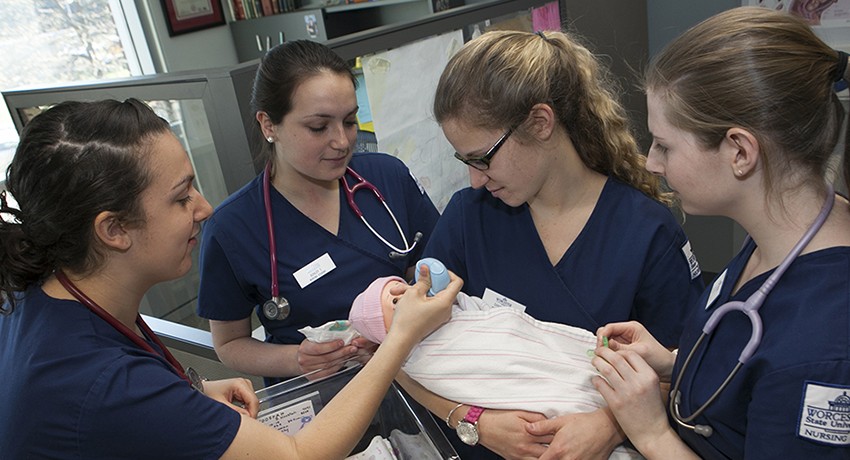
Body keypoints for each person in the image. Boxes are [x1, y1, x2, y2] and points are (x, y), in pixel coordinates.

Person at [0, 98, 460, 459]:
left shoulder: (45, 297)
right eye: (181, 198)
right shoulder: (102, 383)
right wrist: (399, 337)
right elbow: (298, 454)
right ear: (114, 229)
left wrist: (189, 397)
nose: (204, 208)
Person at [399, 29, 705, 460]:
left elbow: (683, 374)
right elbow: (399, 354)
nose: (474, 179)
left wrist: (608, 426)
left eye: (482, 158)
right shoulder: (469, 218)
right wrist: (472, 421)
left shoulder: (645, 233)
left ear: (541, 123)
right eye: (463, 161)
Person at [590, 7, 850, 459]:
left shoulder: (823, 349)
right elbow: (751, 379)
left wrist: (650, 432)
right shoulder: (785, 234)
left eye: (665, 145)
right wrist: (676, 362)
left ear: (740, 151)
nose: (652, 163)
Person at [196, 40, 440, 386]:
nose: (342, 141)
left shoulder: (387, 177)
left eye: (350, 121)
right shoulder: (232, 228)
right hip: (324, 398)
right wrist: (297, 358)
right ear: (269, 125)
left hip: (412, 374)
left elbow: (433, 270)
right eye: (318, 127)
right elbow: (230, 343)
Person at [346, 274, 645, 459]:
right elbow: (410, 374)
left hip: (578, 372)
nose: (408, 298)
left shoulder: (456, 312)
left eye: (403, 289)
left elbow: (667, 371)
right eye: (395, 304)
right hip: (541, 420)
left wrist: (608, 423)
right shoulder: (418, 358)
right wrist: (479, 423)